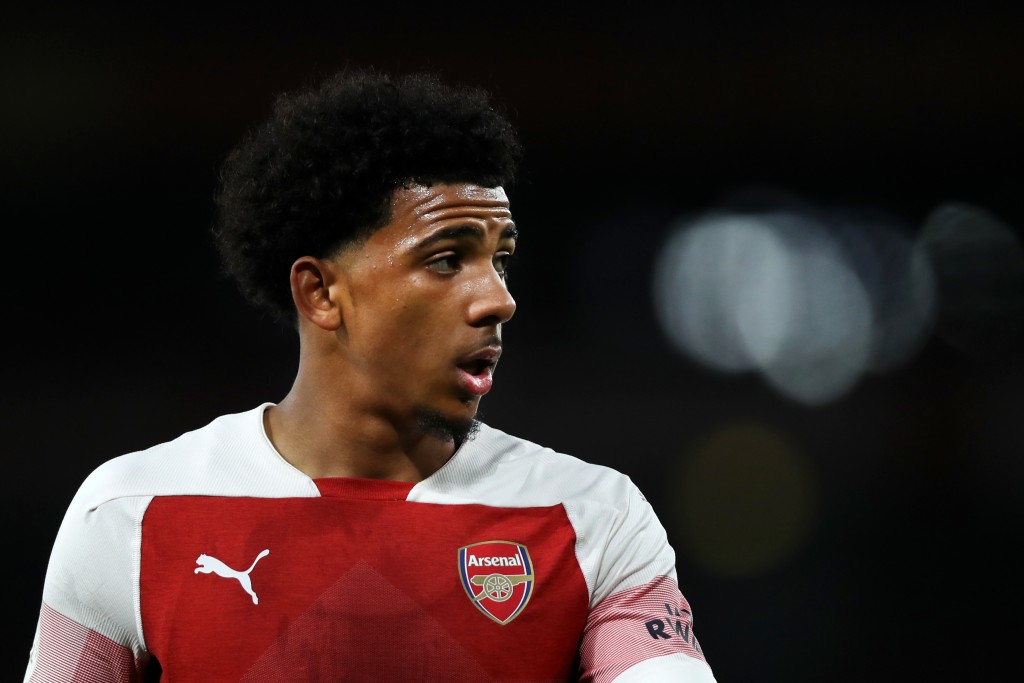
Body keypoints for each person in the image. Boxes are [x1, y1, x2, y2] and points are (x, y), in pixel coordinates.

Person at [24, 67, 717, 682]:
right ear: (322, 293)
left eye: (500, 260)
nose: (499, 299)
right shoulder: (131, 510)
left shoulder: (591, 516)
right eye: (447, 260)